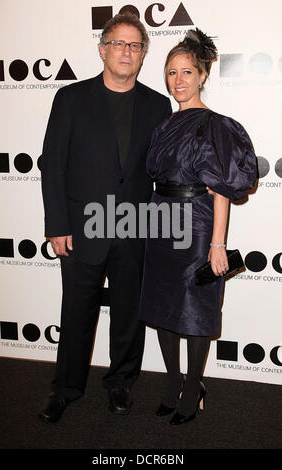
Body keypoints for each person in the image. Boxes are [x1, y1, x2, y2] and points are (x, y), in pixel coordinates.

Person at [39, 13, 172, 423]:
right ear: (102, 49)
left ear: (143, 54)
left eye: (135, 46)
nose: (126, 52)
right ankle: (65, 388)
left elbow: (162, 169)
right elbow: (53, 165)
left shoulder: (157, 104)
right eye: (119, 44)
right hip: (81, 230)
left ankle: (120, 384)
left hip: (135, 228)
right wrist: (57, 226)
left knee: (128, 314)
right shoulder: (71, 98)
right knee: (77, 311)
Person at [139, 28, 257, 425]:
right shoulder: (162, 125)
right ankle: (172, 384)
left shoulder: (216, 125)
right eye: (171, 72)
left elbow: (222, 189)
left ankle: (193, 387)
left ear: (203, 74)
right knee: (163, 308)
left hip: (197, 225)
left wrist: (218, 244)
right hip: (159, 223)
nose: (178, 80)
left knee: (193, 310)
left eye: (187, 71)